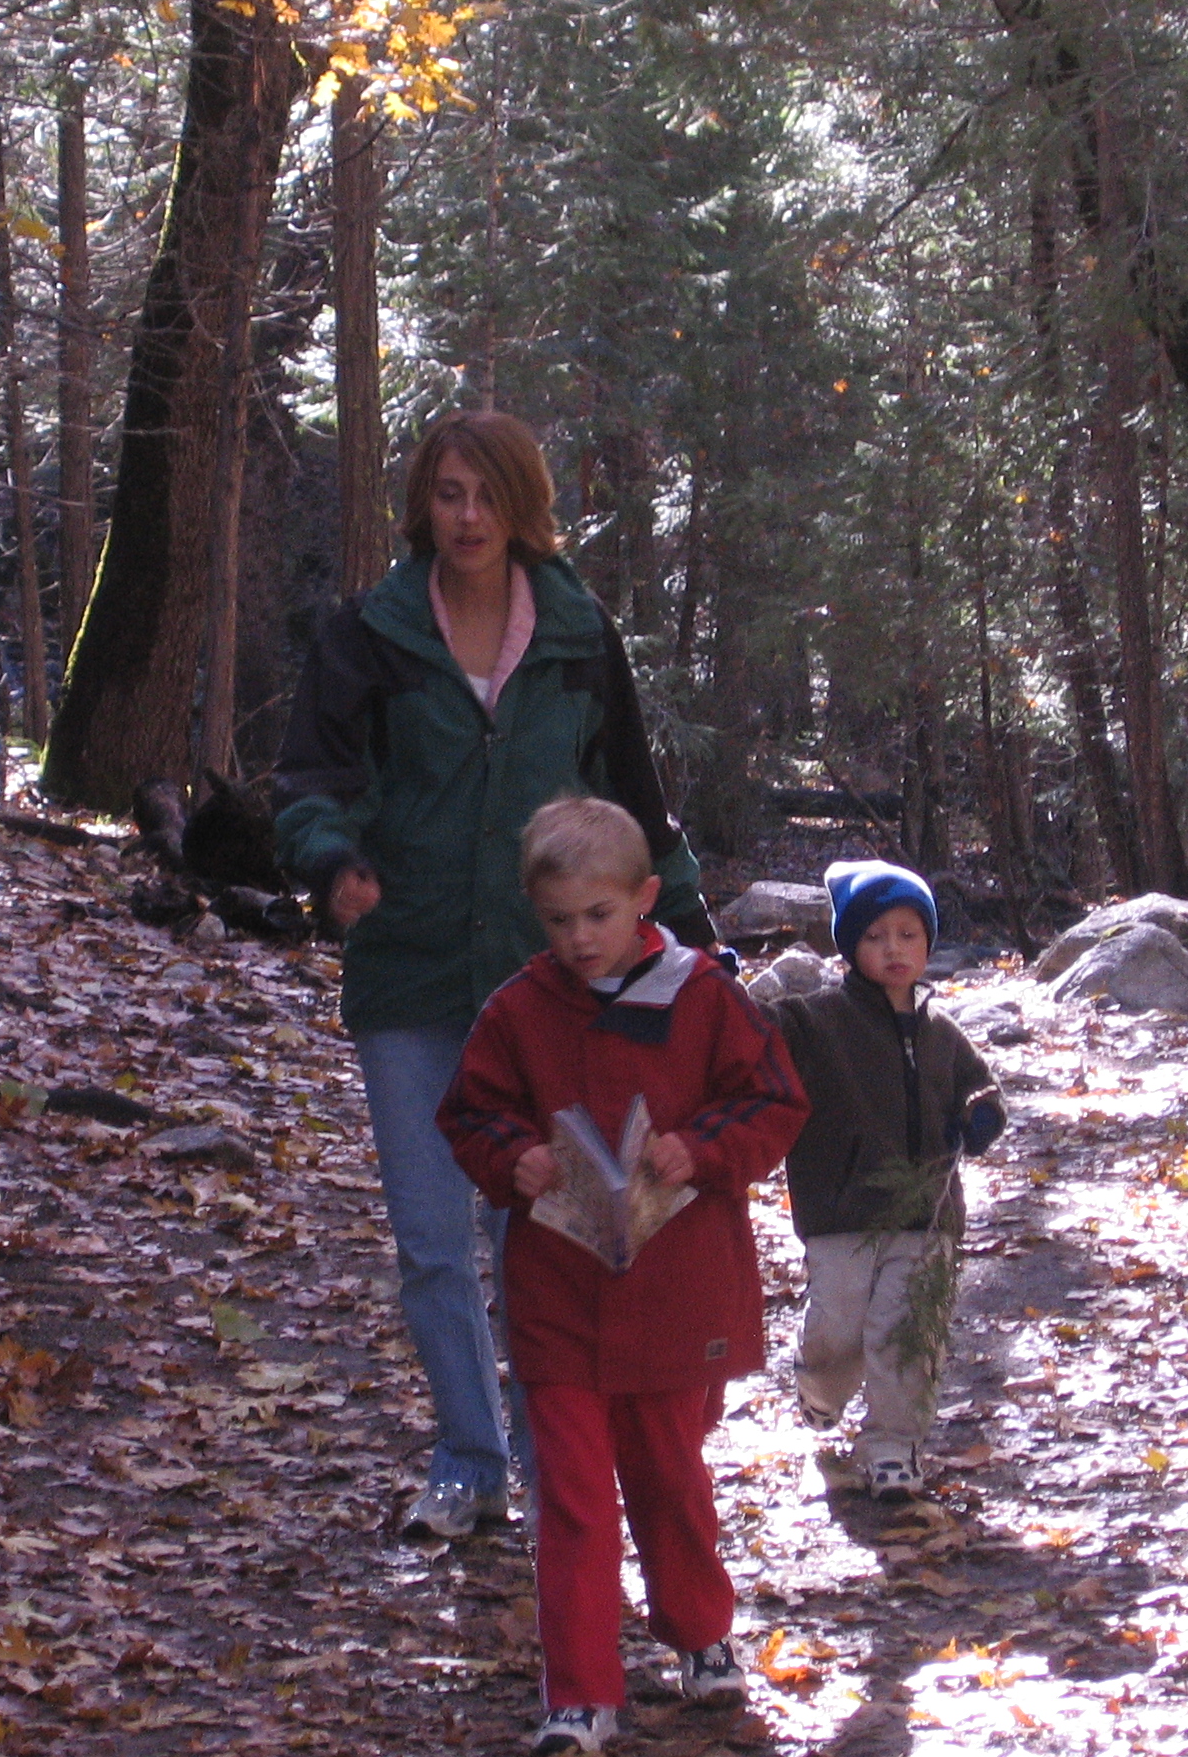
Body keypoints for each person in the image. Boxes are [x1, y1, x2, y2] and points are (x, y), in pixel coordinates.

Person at [273, 410, 721, 1541]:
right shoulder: (369, 634)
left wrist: (692, 938)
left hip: (550, 987)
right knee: (433, 1244)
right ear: (422, 504)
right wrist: (332, 864)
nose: (467, 517)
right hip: (412, 975)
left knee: (554, 1237)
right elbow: (311, 783)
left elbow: (633, 799)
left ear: (522, 507)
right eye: (448, 494)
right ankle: (469, 1462)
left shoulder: (577, 633)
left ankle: (554, 1466)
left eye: (487, 495)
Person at [436, 797, 804, 1755]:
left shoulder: (703, 995)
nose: (579, 939)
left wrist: (700, 1149)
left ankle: (700, 1631)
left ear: (643, 897)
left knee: (670, 1477)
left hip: (674, 1291)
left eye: (598, 915)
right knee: (571, 1497)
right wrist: (512, 1157)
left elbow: (775, 1100)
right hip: (559, 1298)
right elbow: (469, 1111)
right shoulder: (520, 1008)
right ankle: (580, 1693)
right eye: (558, 920)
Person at [762, 860, 1008, 1500]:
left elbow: (980, 1088)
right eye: (874, 937)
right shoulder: (815, 1021)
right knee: (838, 1327)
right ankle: (820, 1385)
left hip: (928, 1213)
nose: (893, 949)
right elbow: (752, 1030)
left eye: (908, 934)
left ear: (928, 943)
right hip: (841, 1209)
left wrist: (981, 1115)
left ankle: (894, 1446)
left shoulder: (942, 1031)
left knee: (909, 1334)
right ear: (849, 948)